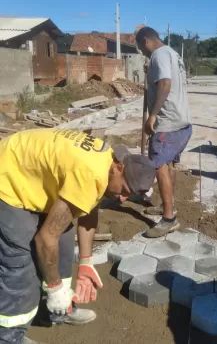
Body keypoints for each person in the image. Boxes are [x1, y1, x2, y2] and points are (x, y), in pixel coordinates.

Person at [0, 128, 155, 343]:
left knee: (63, 239)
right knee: (20, 261)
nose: (122, 199)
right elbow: (44, 239)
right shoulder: (90, 174)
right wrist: (55, 288)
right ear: (119, 168)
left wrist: (85, 262)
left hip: (31, 173)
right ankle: (9, 337)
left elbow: (89, 210)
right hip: (6, 179)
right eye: (125, 190)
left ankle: (58, 310)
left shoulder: (106, 165)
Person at [135, 27, 192, 238]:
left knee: (159, 166)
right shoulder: (172, 53)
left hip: (167, 124)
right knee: (169, 165)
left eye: (142, 48)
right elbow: (165, 79)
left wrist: (153, 115)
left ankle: (169, 219)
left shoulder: (158, 55)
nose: (143, 52)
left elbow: (165, 84)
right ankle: (169, 206)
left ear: (146, 41)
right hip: (183, 122)